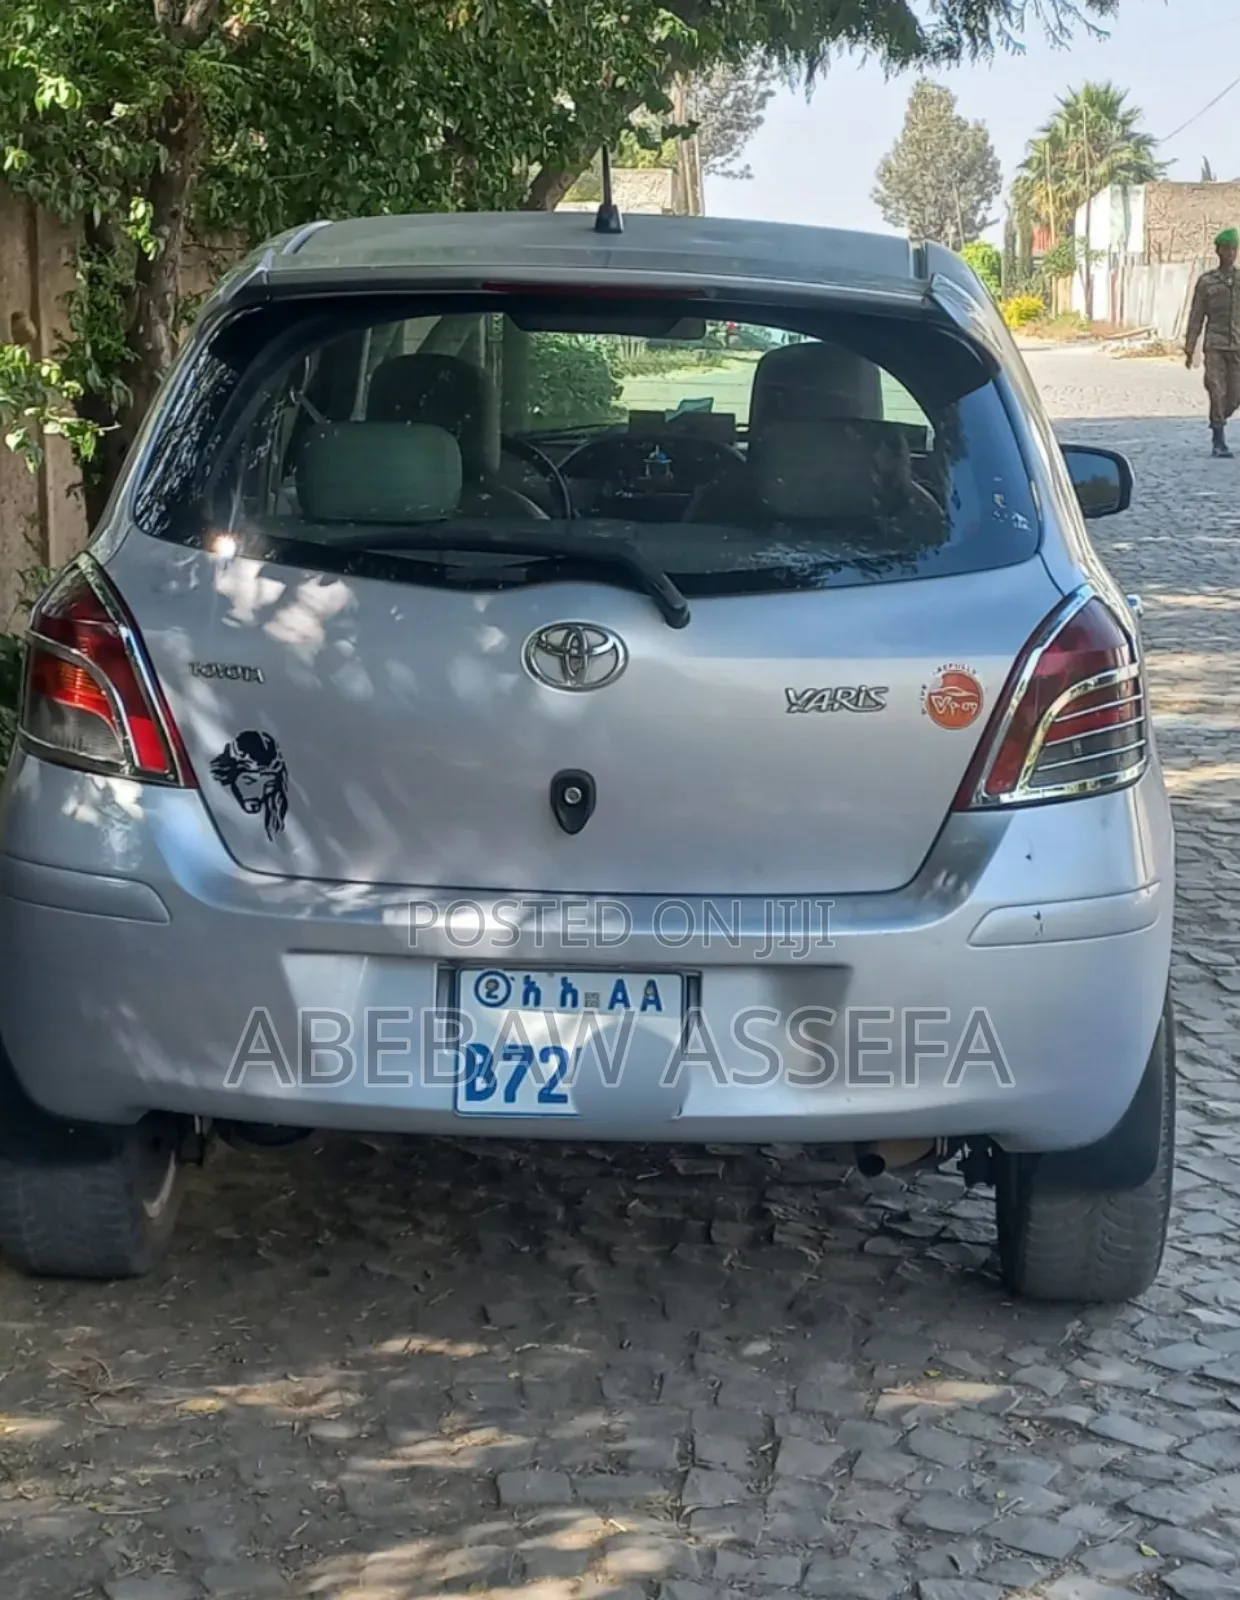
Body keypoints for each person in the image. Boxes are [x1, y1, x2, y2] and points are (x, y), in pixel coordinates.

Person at [1186, 226, 1240, 458]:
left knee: (1235, 396)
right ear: (1218, 251)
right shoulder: (1206, 282)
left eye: (1234, 249)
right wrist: (1190, 348)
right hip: (1215, 345)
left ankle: (1219, 418)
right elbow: (1196, 316)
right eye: (1226, 249)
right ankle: (1218, 438)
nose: (1231, 253)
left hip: (1238, 346)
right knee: (1216, 389)